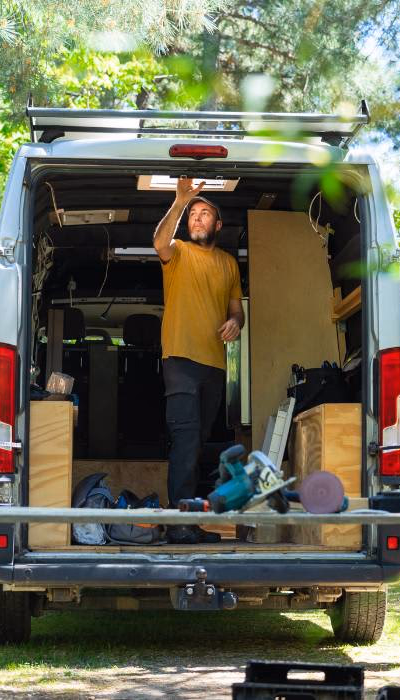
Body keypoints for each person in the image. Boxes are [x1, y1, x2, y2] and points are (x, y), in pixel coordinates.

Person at [153, 178, 245, 544]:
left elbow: (237, 310)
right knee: (186, 439)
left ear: (217, 225)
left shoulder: (227, 263)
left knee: (199, 441)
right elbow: (159, 241)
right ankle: (181, 525)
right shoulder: (177, 252)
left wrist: (236, 323)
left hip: (215, 365)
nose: (197, 217)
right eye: (193, 214)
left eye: (204, 213)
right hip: (180, 358)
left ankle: (187, 519)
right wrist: (180, 201)